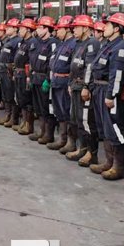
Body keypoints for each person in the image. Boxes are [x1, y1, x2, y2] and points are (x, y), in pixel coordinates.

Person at [86, 13, 124, 180]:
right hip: (99, 89)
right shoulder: (107, 45)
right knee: (104, 128)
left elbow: (117, 75)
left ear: (117, 29)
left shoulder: (120, 47)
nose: (104, 27)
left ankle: (119, 167)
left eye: (108, 25)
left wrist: (111, 95)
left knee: (115, 128)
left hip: (109, 92)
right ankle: (109, 162)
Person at [67, 15, 100, 166]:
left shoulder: (92, 43)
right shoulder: (78, 43)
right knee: (77, 119)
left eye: (76, 27)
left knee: (86, 121)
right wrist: (70, 83)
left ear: (86, 28)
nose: (74, 30)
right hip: (75, 85)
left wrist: (86, 86)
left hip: (83, 88)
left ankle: (91, 153)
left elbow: (90, 67)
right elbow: (73, 65)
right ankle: (82, 148)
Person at [47, 15, 77, 151]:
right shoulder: (61, 44)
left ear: (67, 29)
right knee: (59, 111)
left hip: (65, 82)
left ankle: (71, 142)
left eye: (59, 29)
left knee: (67, 111)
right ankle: (62, 139)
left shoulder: (74, 44)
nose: (57, 31)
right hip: (56, 81)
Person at [29, 16, 59, 144]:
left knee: (47, 107)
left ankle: (49, 134)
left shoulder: (53, 43)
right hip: (36, 77)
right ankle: (42, 131)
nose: (37, 29)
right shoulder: (37, 42)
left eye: (40, 27)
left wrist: (48, 79)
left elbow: (52, 64)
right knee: (39, 107)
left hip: (44, 78)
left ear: (47, 29)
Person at [0, 18, 21, 126]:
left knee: (11, 94)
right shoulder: (7, 40)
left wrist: (13, 71)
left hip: (9, 70)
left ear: (15, 29)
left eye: (9, 27)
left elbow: (17, 58)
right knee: (5, 94)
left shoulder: (18, 41)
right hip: (3, 69)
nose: (7, 28)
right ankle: (7, 114)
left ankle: (13, 118)